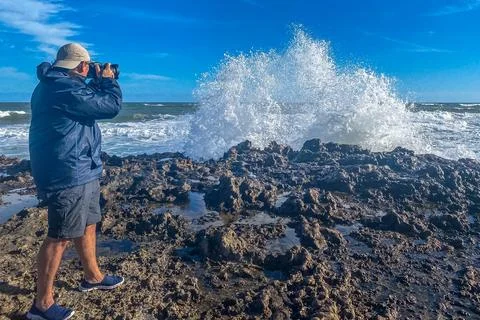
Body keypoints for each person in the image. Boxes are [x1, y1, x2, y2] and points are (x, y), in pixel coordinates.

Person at [27, 43, 124, 320]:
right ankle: (42, 305)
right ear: (81, 66)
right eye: (89, 65)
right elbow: (110, 106)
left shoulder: (61, 83)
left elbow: (87, 103)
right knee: (60, 237)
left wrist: (95, 81)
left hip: (82, 166)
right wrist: (108, 82)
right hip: (67, 172)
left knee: (88, 224)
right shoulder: (62, 87)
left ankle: (92, 277)